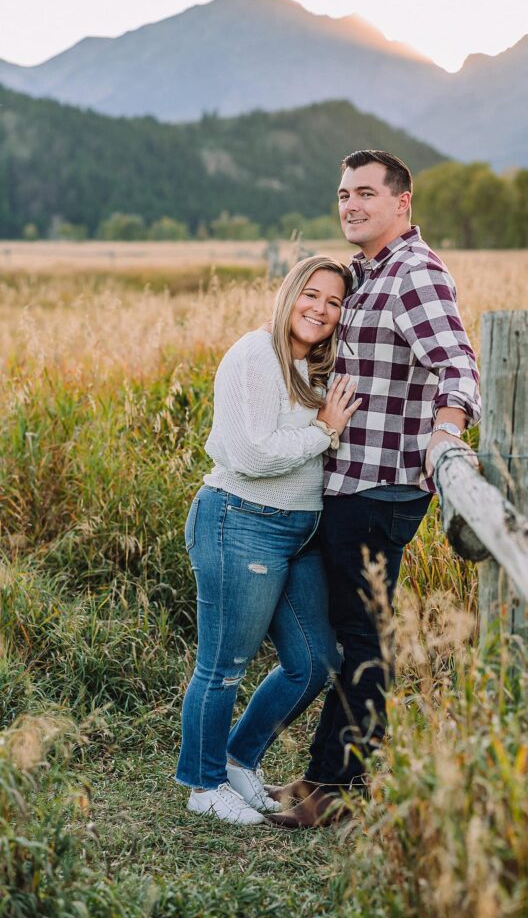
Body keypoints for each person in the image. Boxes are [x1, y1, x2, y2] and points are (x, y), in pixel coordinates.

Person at [267, 150, 481, 829]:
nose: (350, 204)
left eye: (365, 193)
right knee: (355, 634)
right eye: (342, 194)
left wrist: (446, 434)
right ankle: (332, 780)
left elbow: (457, 366)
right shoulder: (367, 273)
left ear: (401, 205)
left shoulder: (415, 275)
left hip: (381, 487)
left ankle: (336, 791)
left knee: (362, 638)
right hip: (351, 481)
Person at [175, 255, 361, 825]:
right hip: (240, 519)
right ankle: (202, 784)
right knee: (224, 663)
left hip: (298, 533)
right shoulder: (256, 354)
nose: (321, 310)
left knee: (314, 661)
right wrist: (325, 431)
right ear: (289, 294)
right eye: (312, 295)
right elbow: (252, 455)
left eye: (333, 302)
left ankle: (237, 760)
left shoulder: (313, 369)